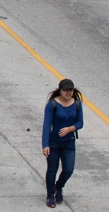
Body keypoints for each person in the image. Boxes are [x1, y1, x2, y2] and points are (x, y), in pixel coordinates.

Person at [42, 78, 83, 208]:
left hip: (69, 143)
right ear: (60, 91)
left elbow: (80, 122)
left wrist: (70, 129)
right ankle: (50, 195)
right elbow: (46, 125)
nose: (68, 93)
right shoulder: (52, 104)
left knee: (68, 169)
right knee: (52, 170)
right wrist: (45, 144)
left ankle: (58, 187)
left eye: (70, 90)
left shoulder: (77, 104)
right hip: (54, 143)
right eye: (66, 90)